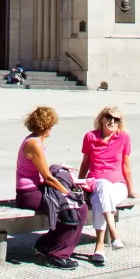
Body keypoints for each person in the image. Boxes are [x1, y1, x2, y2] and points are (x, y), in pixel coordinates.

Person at [16, 105, 85, 269]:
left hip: (35, 189)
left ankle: (44, 245)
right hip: (29, 193)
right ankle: (58, 256)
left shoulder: (34, 140)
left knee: (70, 207)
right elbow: (47, 177)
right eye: (51, 126)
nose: (51, 131)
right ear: (45, 126)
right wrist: (67, 193)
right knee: (76, 208)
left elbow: (43, 171)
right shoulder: (34, 143)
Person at [79, 106, 136, 266]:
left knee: (99, 200)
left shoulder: (124, 137)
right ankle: (113, 232)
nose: (112, 121)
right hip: (95, 182)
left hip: (118, 185)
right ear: (102, 118)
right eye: (109, 117)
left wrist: (131, 190)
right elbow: (85, 163)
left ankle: (99, 246)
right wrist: (79, 183)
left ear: (119, 123)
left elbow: (126, 166)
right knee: (102, 185)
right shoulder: (90, 137)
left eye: (116, 119)